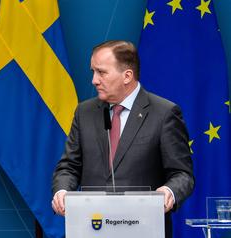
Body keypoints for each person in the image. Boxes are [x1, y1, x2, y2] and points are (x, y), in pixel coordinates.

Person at [51, 40, 193, 237]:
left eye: (101, 72)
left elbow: (182, 174)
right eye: (93, 71)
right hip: (91, 227)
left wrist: (168, 192)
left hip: (143, 228)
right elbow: (68, 166)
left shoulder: (164, 113)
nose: (94, 80)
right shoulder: (85, 112)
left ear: (127, 76)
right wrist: (62, 192)